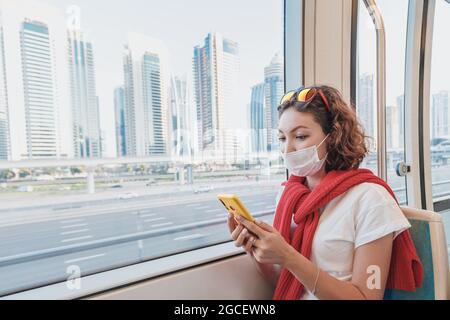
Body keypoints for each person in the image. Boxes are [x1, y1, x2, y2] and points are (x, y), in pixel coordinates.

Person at [227, 85, 422, 300]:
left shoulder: (371, 199)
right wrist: (255, 249)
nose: (287, 150)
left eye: (300, 136)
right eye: (282, 138)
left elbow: (367, 297)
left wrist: (289, 257)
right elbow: (286, 283)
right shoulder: (288, 196)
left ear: (333, 136)